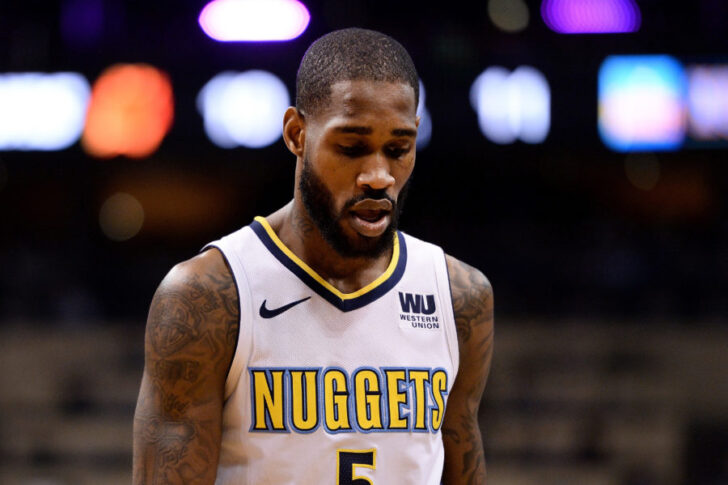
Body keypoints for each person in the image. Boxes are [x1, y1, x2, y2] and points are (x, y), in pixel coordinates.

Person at [133, 27, 493, 485]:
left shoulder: (460, 297)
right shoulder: (209, 295)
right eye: (351, 147)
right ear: (297, 134)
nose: (379, 175)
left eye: (398, 149)